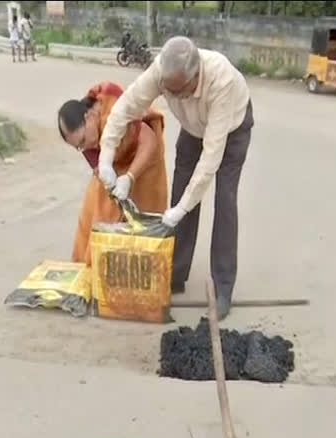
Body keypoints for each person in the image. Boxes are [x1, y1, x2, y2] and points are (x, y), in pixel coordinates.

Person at [98, 36, 252, 320]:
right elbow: (125, 108)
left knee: (224, 201)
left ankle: (223, 288)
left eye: (179, 92)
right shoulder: (162, 72)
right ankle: (176, 273)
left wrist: (184, 207)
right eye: (169, 91)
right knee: (180, 191)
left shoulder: (222, 81)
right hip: (193, 128)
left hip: (231, 129)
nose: (174, 96)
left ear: (195, 77)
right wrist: (105, 158)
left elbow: (210, 158)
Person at [58, 82, 169, 265]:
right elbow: (97, 165)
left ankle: (145, 270)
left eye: (84, 140)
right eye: (79, 146)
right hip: (114, 163)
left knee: (143, 215)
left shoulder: (114, 111)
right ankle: (92, 266)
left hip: (145, 157)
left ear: (90, 116)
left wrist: (130, 177)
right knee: (97, 213)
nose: (85, 148)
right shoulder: (87, 142)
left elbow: (148, 141)